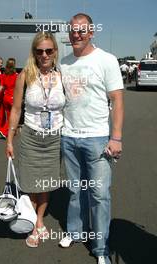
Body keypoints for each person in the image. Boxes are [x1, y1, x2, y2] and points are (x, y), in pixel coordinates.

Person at [59, 13, 124, 264]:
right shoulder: (63, 63)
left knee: (99, 194)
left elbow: (117, 99)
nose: (77, 34)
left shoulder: (106, 60)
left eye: (82, 30)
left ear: (91, 32)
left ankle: (100, 248)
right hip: (69, 136)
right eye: (73, 30)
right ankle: (74, 231)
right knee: (75, 191)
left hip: (97, 138)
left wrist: (115, 137)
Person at [6, 32, 65, 247]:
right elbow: (15, 109)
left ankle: (39, 220)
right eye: (39, 51)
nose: (44, 55)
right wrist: (10, 139)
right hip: (30, 137)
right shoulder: (25, 75)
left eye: (49, 50)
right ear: (34, 53)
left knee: (46, 183)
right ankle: (33, 222)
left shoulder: (62, 76)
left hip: (54, 138)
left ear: (55, 51)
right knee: (31, 183)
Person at [0, 58, 18, 139]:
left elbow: (2, 86)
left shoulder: (4, 75)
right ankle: (5, 131)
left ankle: (10, 130)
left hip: (5, 97)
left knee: (9, 115)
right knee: (13, 116)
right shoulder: (16, 75)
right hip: (12, 97)